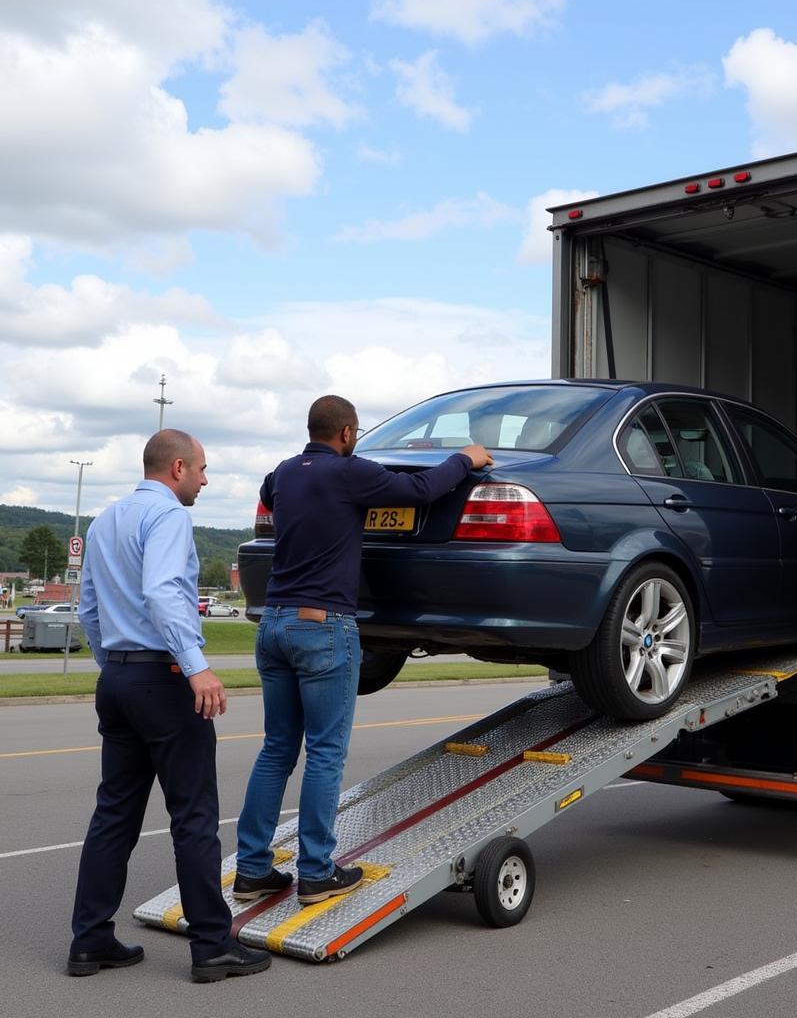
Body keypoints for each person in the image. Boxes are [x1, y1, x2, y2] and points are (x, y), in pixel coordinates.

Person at [233, 395, 492, 905]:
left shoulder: (285, 473)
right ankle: (315, 873)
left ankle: (251, 870)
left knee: (277, 750)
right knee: (325, 752)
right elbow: (420, 490)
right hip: (322, 627)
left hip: (274, 624)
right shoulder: (349, 474)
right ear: (348, 433)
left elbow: (267, 487)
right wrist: (466, 458)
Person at [69, 429, 271, 984]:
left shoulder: (107, 519)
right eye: (202, 470)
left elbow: (88, 606)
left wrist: (111, 666)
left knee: (114, 813)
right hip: (163, 677)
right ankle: (211, 947)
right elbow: (162, 591)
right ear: (178, 467)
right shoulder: (169, 518)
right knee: (194, 818)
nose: (205, 481)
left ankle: (89, 941)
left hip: (119, 679)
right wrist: (196, 663)